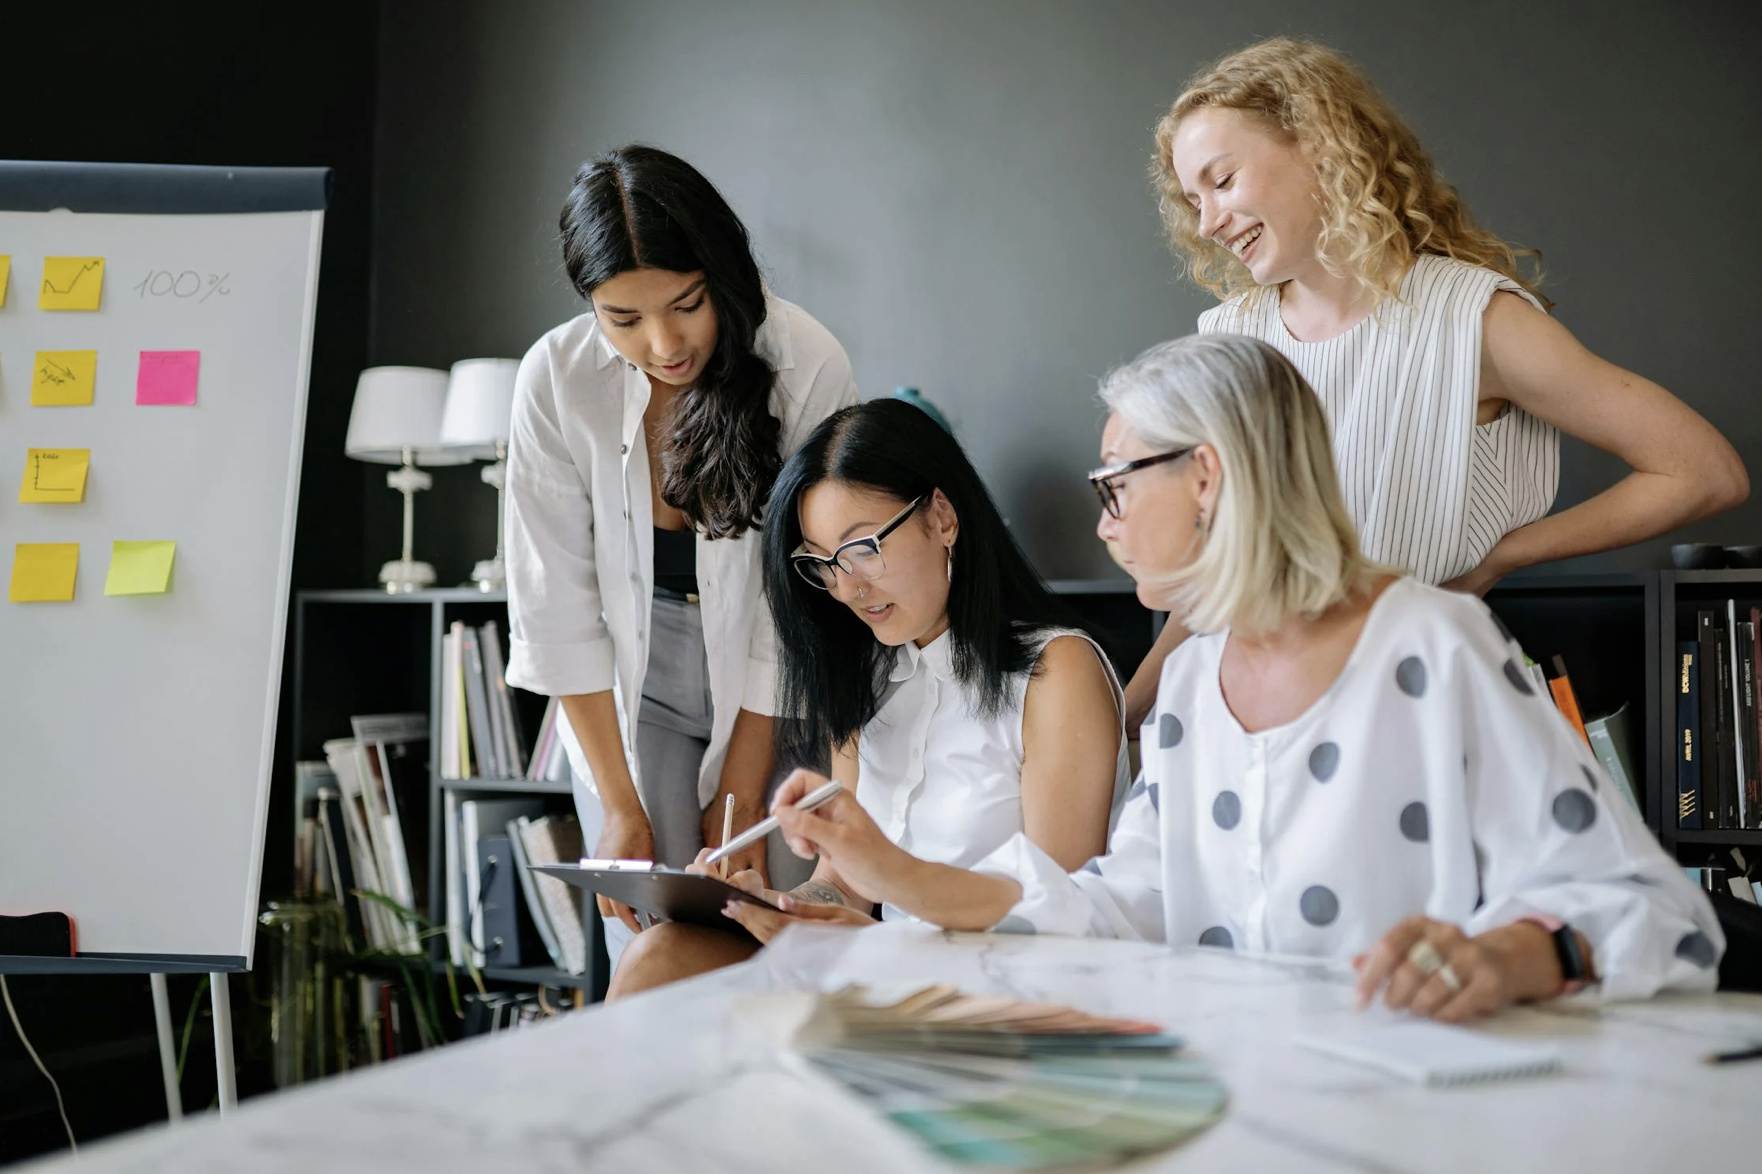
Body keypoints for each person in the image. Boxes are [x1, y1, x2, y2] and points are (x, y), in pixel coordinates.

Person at [759, 335, 1724, 1021]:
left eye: (1116, 486)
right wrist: (889, 875)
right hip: (1239, 1098)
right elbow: (1116, 901)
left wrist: (1509, 954)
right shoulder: (1189, 688)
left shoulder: (1434, 644)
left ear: (1207, 477)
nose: (1103, 523)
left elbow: (1656, 911)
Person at [1120, 37, 1747, 729]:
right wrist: (1124, 721)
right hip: (1241, 720)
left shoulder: (1476, 323)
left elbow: (1703, 472)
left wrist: (1501, 557)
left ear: (1318, 145)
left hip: (1404, 713)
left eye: (1222, 181)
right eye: (1193, 200)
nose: (1207, 223)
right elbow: (1216, 582)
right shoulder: (1226, 341)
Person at [607, 399, 1132, 996]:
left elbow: (1056, 910)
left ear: (942, 518)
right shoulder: (867, 676)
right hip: (888, 964)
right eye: (824, 563)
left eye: (863, 549)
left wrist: (879, 939)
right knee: (660, 952)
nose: (848, 587)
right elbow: (840, 884)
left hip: (1004, 980)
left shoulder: (1056, 670)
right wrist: (770, 905)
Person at [502, 146, 859, 957]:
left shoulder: (806, 361)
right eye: (623, 319)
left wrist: (741, 788)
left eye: (686, 305)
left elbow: (793, 597)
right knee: (652, 929)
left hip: (781, 681)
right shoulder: (555, 379)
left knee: (774, 925)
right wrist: (617, 803)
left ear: (721, 275)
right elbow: (554, 608)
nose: (664, 343)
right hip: (638, 683)